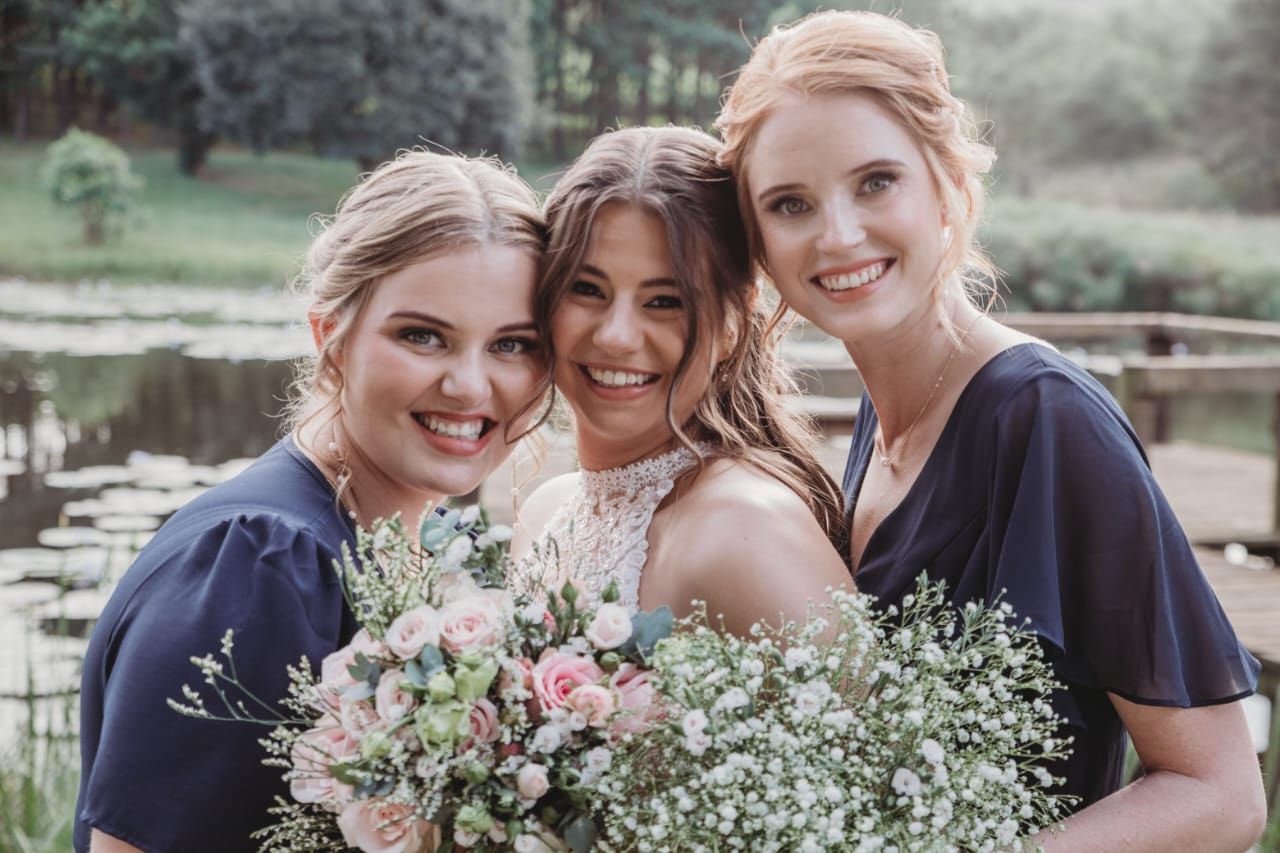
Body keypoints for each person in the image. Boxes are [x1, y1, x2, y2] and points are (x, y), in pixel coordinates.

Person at [715, 9, 1266, 848]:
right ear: (756, 241)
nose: (838, 234)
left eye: (876, 182)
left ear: (948, 181)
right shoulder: (881, 419)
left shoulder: (1047, 419)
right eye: (790, 203)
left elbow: (1222, 793)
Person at [75, 150, 548, 852]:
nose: (471, 387)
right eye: (422, 335)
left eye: (512, 344)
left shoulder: (433, 542)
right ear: (332, 337)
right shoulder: (261, 561)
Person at [510, 126, 851, 637]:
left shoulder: (746, 529)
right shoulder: (544, 514)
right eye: (586, 289)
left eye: (665, 301)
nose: (617, 336)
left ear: (734, 323)